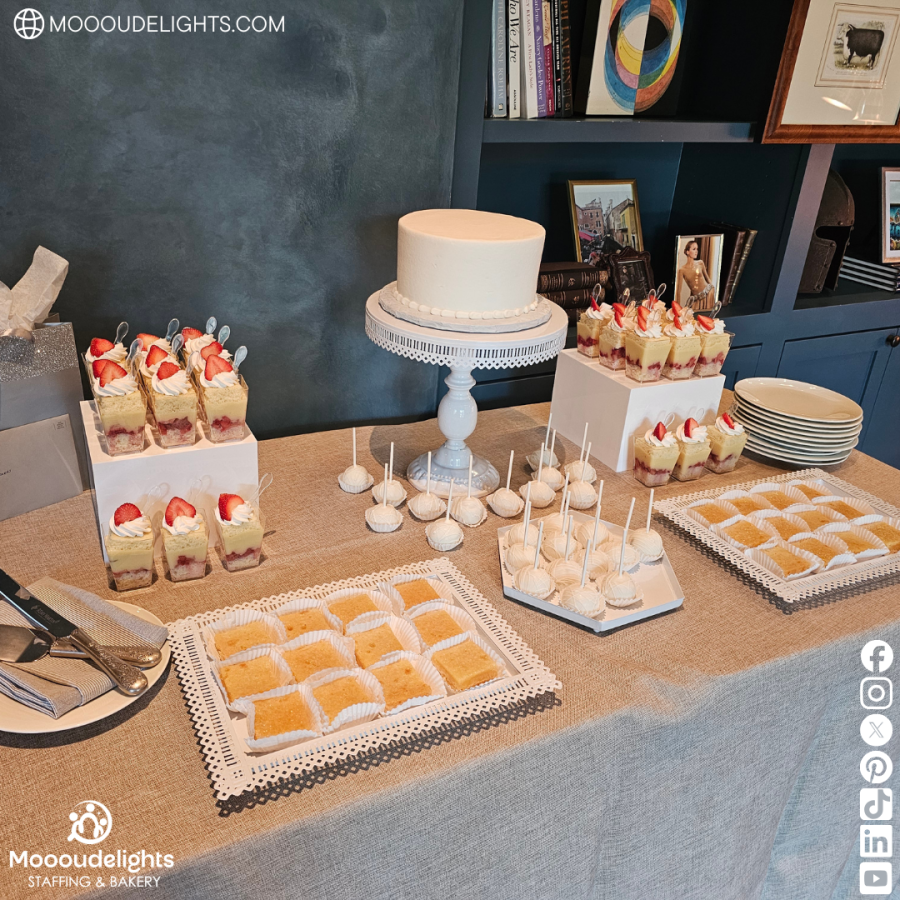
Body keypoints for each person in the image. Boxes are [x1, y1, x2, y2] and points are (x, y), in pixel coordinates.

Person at [678, 239, 715, 309]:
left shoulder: (700, 263)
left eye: (697, 249)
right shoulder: (682, 270)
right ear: (687, 252)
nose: (696, 251)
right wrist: (678, 308)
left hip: (709, 294)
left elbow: (708, 279)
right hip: (697, 299)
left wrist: (713, 291)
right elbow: (678, 292)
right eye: (694, 249)